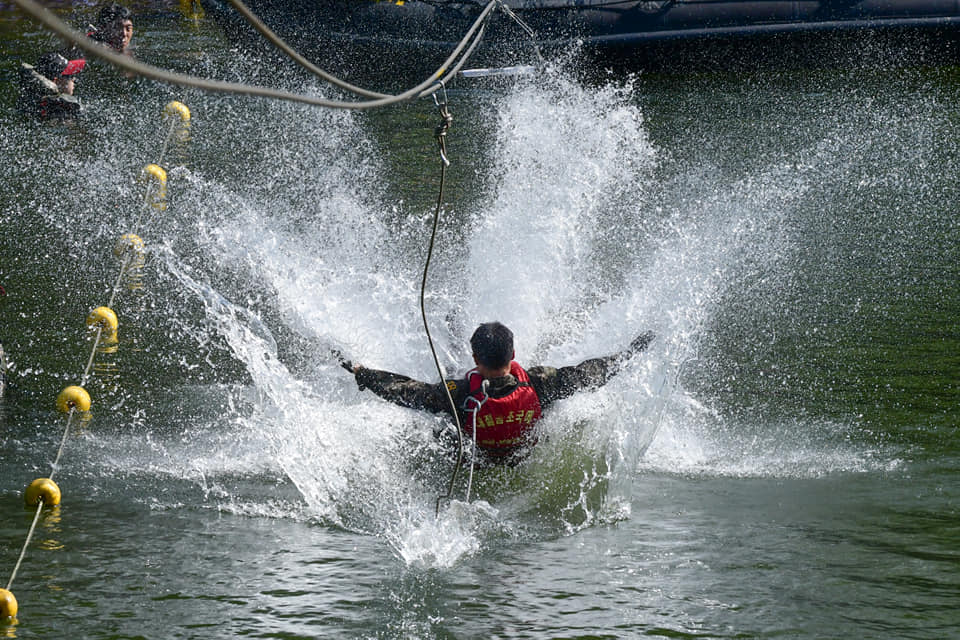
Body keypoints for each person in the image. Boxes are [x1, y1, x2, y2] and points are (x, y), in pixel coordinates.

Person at [345, 322, 655, 463]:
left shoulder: (459, 393)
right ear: (514, 353)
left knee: (436, 426)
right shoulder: (538, 383)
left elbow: (404, 392)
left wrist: (363, 374)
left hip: (475, 463)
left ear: (476, 359)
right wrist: (628, 355)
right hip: (521, 458)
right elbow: (590, 374)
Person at [17, 51, 86, 119]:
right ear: (55, 80)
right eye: (70, 76)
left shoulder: (32, 99)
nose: (74, 79)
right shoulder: (55, 108)